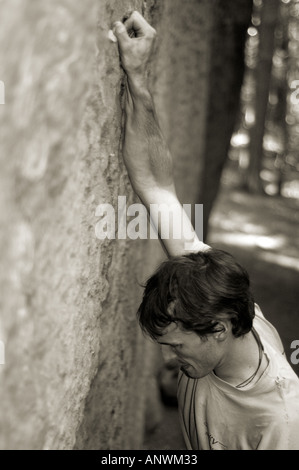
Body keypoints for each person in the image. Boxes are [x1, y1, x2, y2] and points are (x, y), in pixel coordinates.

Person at [112, 11, 299, 450]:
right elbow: (157, 187)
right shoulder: (203, 287)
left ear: (219, 328)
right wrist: (136, 75)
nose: (167, 359)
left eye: (176, 346)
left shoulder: (281, 422)